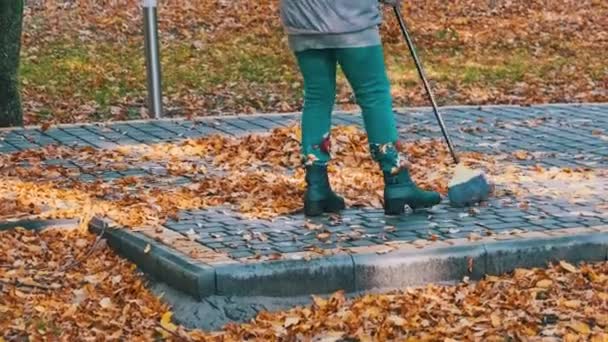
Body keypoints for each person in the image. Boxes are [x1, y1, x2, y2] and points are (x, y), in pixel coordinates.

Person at [280, 0, 441, 216]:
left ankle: (316, 186)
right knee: (373, 94)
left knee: (317, 97)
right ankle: (396, 180)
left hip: (302, 18)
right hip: (351, 18)